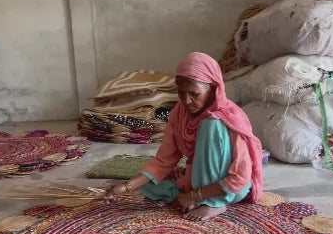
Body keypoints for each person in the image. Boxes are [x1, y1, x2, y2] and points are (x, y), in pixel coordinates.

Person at [105, 51, 263, 221]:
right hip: (199, 177)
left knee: (211, 124)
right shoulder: (179, 114)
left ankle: (213, 203)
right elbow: (163, 161)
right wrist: (126, 186)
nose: (187, 101)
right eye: (181, 93)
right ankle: (193, 195)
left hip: (230, 188)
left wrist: (194, 195)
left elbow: (240, 178)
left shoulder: (229, 117)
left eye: (194, 94)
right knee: (150, 185)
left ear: (212, 89)